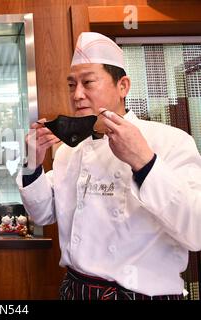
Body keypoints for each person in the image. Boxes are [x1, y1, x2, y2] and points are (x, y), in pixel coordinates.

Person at [17, 32, 201, 300]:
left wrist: (145, 163)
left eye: (88, 82)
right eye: (71, 85)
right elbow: (43, 214)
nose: (77, 95)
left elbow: (195, 231)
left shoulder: (170, 141)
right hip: (75, 291)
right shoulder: (71, 151)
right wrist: (31, 165)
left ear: (123, 86)